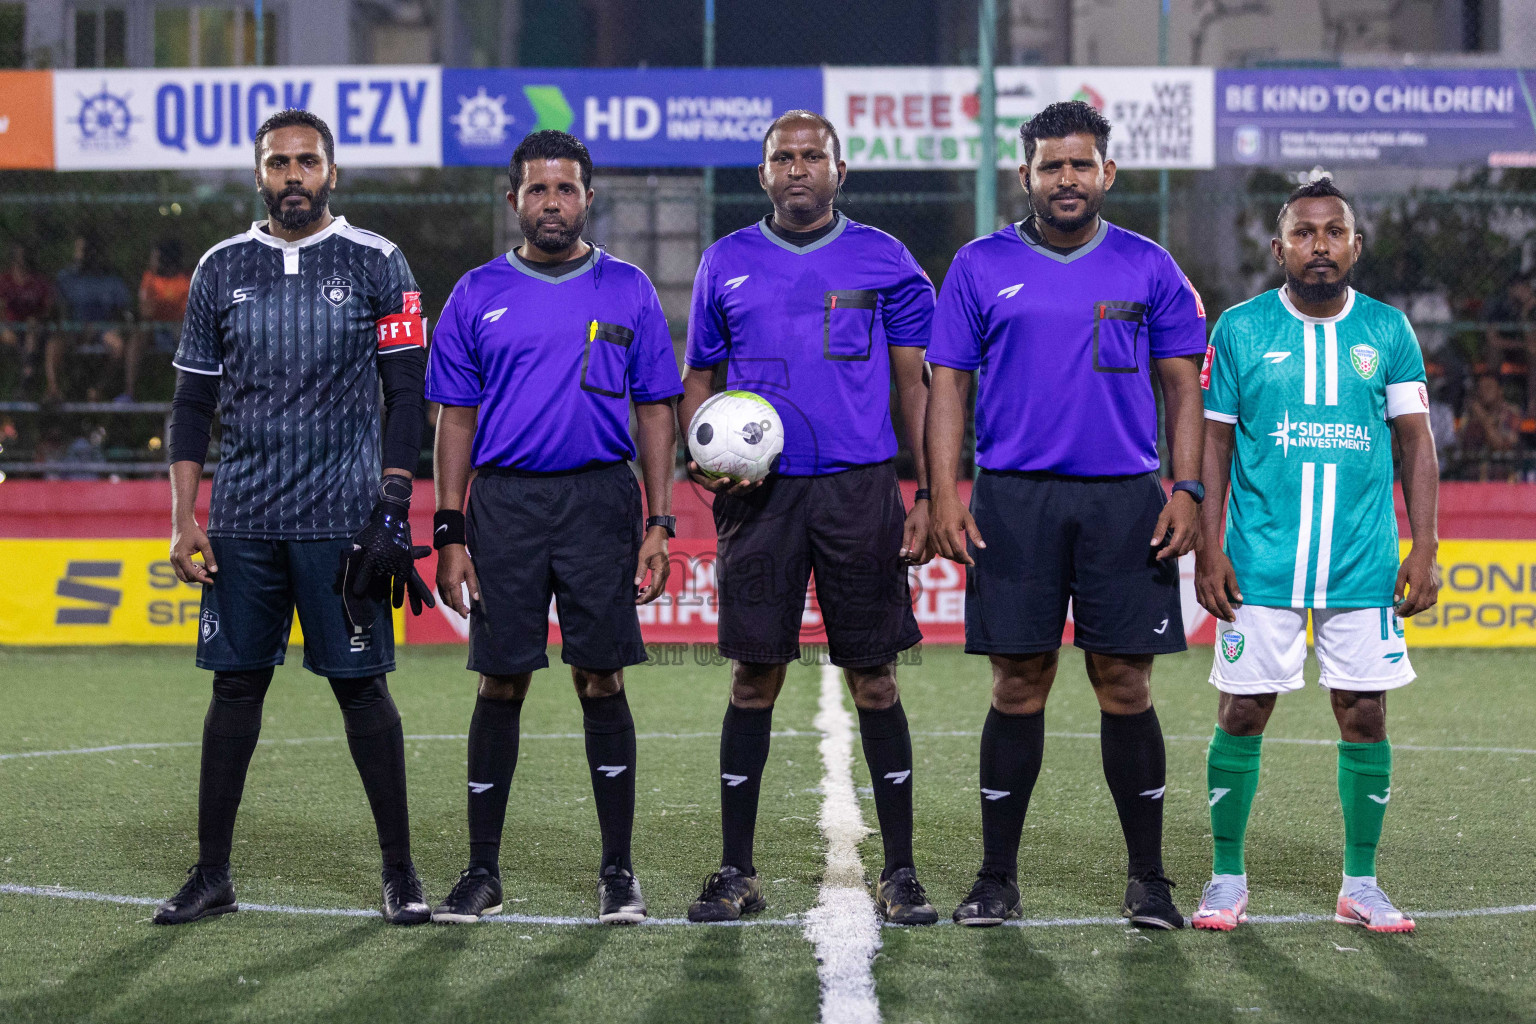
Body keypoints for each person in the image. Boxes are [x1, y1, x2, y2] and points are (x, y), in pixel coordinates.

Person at [926, 101, 1208, 930]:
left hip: (1126, 500)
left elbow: (1183, 386)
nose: (1067, 179)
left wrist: (1185, 489)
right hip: (1013, 499)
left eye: (1081, 165)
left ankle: (1149, 880)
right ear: (1027, 176)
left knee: (1125, 683)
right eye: (1052, 166)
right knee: (1019, 683)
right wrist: (944, 493)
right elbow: (948, 385)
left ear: (1107, 174)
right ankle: (995, 879)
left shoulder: (1151, 267)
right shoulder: (979, 266)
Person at [154, 108, 436, 927]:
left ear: (332, 173)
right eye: (279, 162)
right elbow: (192, 401)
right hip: (241, 520)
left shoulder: (379, 262)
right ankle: (212, 876)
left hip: (342, 522)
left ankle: (400, 874)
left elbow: (407, 392)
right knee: (235, 689)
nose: (293, 176)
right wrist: (185, 515)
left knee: (361, 692)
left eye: (307, 161)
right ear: (259, 174)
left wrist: (392, 499)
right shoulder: (219, 268)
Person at [680, 110, 938, 926]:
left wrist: (928, 491)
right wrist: (704, 453)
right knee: (754, 676)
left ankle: (898, 871)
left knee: (876, 676)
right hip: (761, 498)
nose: (797, 169)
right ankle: (736, 870)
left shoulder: (886, 260)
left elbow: (917, 386)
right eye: (782, 158)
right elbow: (701, 378)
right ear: (763, 174)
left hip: (859, 490)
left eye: (811, 157)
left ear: (839, 169)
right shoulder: (725, 261)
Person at [427, 130, 681, 926]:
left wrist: (659, 518)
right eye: (537, 191)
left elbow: (655, 412)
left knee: (600, 677)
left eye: (565, 189)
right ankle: (481, 872)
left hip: (600, 504)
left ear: (587, 198)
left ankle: (617, 872)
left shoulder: (629, 288)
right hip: (504, 506)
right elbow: (454, 419)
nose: (552, 204)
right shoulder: (474, 293)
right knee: (500, 678)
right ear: (514, 202)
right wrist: (450, 530)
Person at [1192, 177, 1440, 934]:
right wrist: (1209, 546)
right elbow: (1213, 442)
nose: (1319, 245)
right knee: (1243, 710)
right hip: (1260, 561)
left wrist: (1424, 546)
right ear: (1279, 248)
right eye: (1304, 233)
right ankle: (1227, 876)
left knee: (1364, 713)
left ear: (1355, 246)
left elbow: (1416, 446)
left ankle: (1360, 883)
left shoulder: (1389, 331)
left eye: (1334, 232)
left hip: (1361, 562)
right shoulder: (1238, 329)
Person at [49, 234, 133, 401]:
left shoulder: (111, 279)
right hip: (75, 327)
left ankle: (98, 389)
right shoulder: (67, 278)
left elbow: (125, 313)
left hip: (104, 329)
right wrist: (71, 326)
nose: (81, 255)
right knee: (55, 342)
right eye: (79, 250)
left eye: (86, 251)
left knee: (118, 345)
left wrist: (114, 325)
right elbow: (58, 310)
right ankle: (53, 390)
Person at [128, 238, 194, 401]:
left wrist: (161, 306)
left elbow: (187, 311)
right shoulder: (150, 278)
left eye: (156, 257)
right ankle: (129, 392)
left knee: (186, 339)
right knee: (138, 338)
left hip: (178, 327)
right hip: (155, 328)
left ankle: (184, 395)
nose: (152, 261)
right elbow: (145, 311)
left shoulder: (185, 279)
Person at [0, 244, 54, 397]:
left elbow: (48, 309)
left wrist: (39, 317)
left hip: (33, 329)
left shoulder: (38, 282)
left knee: (32, 325)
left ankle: (28, 371)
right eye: (17, 258)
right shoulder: (4, 280)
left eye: (23, 258)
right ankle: (27, 368)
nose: (21, 262)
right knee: (9, 334)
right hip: (9, 327)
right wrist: (5, 326)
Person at [1483, 276, 1535, 416]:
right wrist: (1520, 344)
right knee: (1493, 353)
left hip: (1523, 351)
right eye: (1520, 288)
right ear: (1511, 290)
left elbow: (1531, 341)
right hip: (1503, 349)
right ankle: (1491, 403)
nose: (1524, 292)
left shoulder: (1530, 310)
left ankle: (1532, 403)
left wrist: (1525, 314)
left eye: (1526, 288)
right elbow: (1493, 339)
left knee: (1533, 353)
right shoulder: (1498, 306)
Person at [1460, 373, 1523, 481]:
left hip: (1503, 480)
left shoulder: (1511, 413)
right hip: (1472, 480)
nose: (1484, 391)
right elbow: (1462, 446)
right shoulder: (1470, 415)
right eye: (1481, 388)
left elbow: (1502, 447)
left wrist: (1483, 418)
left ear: (1500, 390)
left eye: (1489, 387)